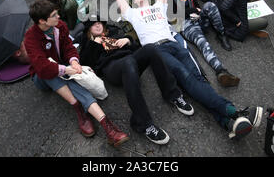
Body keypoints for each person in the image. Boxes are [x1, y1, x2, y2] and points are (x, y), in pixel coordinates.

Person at [111, 0, 263, 140]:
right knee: (187, 78)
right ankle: (233, 111)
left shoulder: (158, 6)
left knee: (197, 79)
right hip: (159, 51)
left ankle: (228, 122)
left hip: (174, 44)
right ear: (134, 0)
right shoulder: (132, 14)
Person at [24, 0, 129, 147]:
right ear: (42, 21)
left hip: (62, 66)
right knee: (52, 73)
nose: (59, 16)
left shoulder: (60, 26)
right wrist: (65, 69)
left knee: (71, 80)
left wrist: (73, 61)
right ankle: (78, 108)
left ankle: (109, 128)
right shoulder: (30, 37)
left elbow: (68, 47)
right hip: (42, 77)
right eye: (54, 15)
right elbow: (41, 66)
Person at [79, 16, 193, 145]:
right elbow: (84, 63)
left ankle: (172, 94)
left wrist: (127, 40)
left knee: (150, 48)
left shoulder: (113, 31)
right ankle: (143, 123)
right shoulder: (88, 41)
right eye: (94, 25)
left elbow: (136, 46)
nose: (98, 25)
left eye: (99, 23)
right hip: (112, 68)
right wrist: (95, 44)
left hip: (131, 61)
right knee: (128, 62)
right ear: (89, 29)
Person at [168, 0, 240, 87]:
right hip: (185, 25)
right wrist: (191, 12)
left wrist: (198, 9)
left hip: (197, 18)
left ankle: (221, 34)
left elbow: (196, 3)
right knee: (203, 44)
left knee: (210, 5)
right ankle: (220, 70)